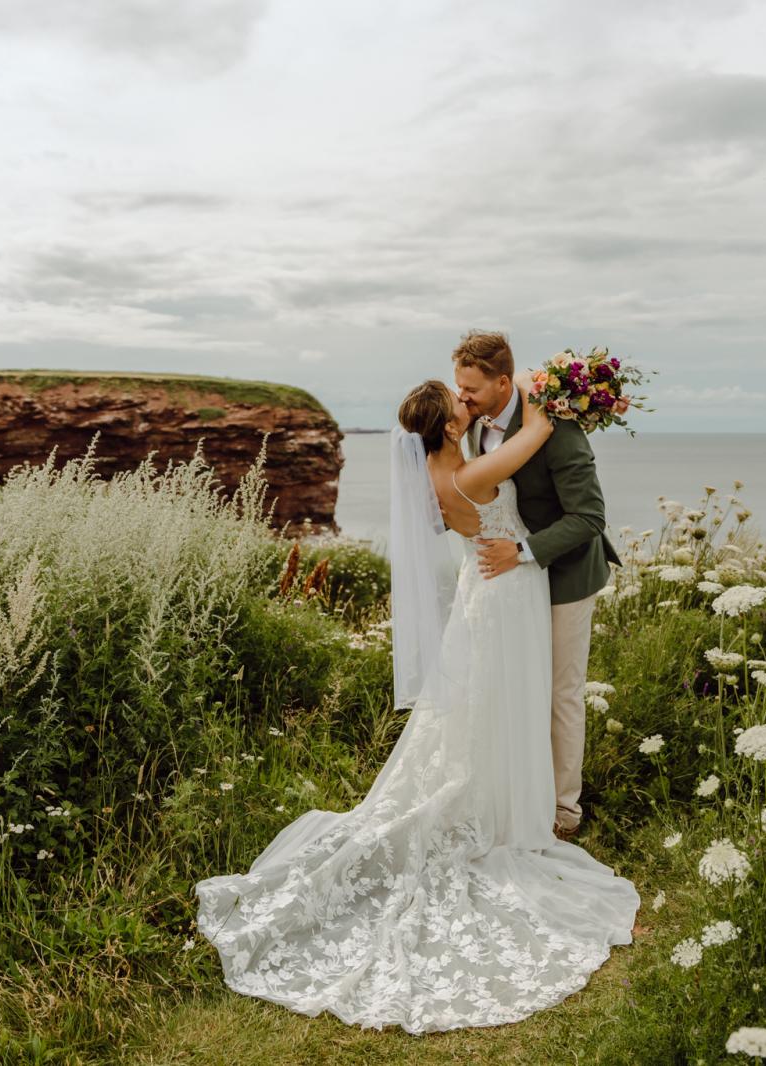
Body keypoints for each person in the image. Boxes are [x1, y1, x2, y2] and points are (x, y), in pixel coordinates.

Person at [192, 372, 638, 1035]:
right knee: (505, 706)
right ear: (450, 425)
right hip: (505, 595)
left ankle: (506, 796)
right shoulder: (474, 472)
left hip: (482, 593)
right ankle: (512, 812)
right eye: (459, 401)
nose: (468, 402)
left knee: (483, 712)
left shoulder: (439, 471)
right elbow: (540, 427)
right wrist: (560, 385)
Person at [452, 330, 620, 841]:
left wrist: (523, 552)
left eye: (471, 390)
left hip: (564, 575)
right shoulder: (475, 422)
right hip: (512, 586)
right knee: (518, 687)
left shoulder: (556, 428)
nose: (462, 397)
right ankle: (521, 792)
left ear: (503, 384)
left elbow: (590, 517)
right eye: (459, 387)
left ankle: (564, 811)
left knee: (559, 695)